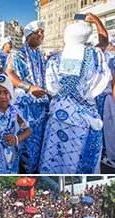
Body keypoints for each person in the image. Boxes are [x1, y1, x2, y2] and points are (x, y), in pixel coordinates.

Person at [39, 16, 111, 173]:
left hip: (58, 116)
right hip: (85, 119)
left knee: (55, 155)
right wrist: (96, 21)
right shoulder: (94, 55)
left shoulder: (54, 58)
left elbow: (51, 88)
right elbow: (105, 41)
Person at [6, 20, 49, 173]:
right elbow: (9, 73)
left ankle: (33, 169)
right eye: (37, 32)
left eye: (42, 32)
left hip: (40, 107)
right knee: (23, 142)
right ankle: (22, 171)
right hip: (25, 108)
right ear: (28, 35)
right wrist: (29, 87)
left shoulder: (40, 55)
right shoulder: (18, 53)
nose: (41, 35)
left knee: (37, 142)